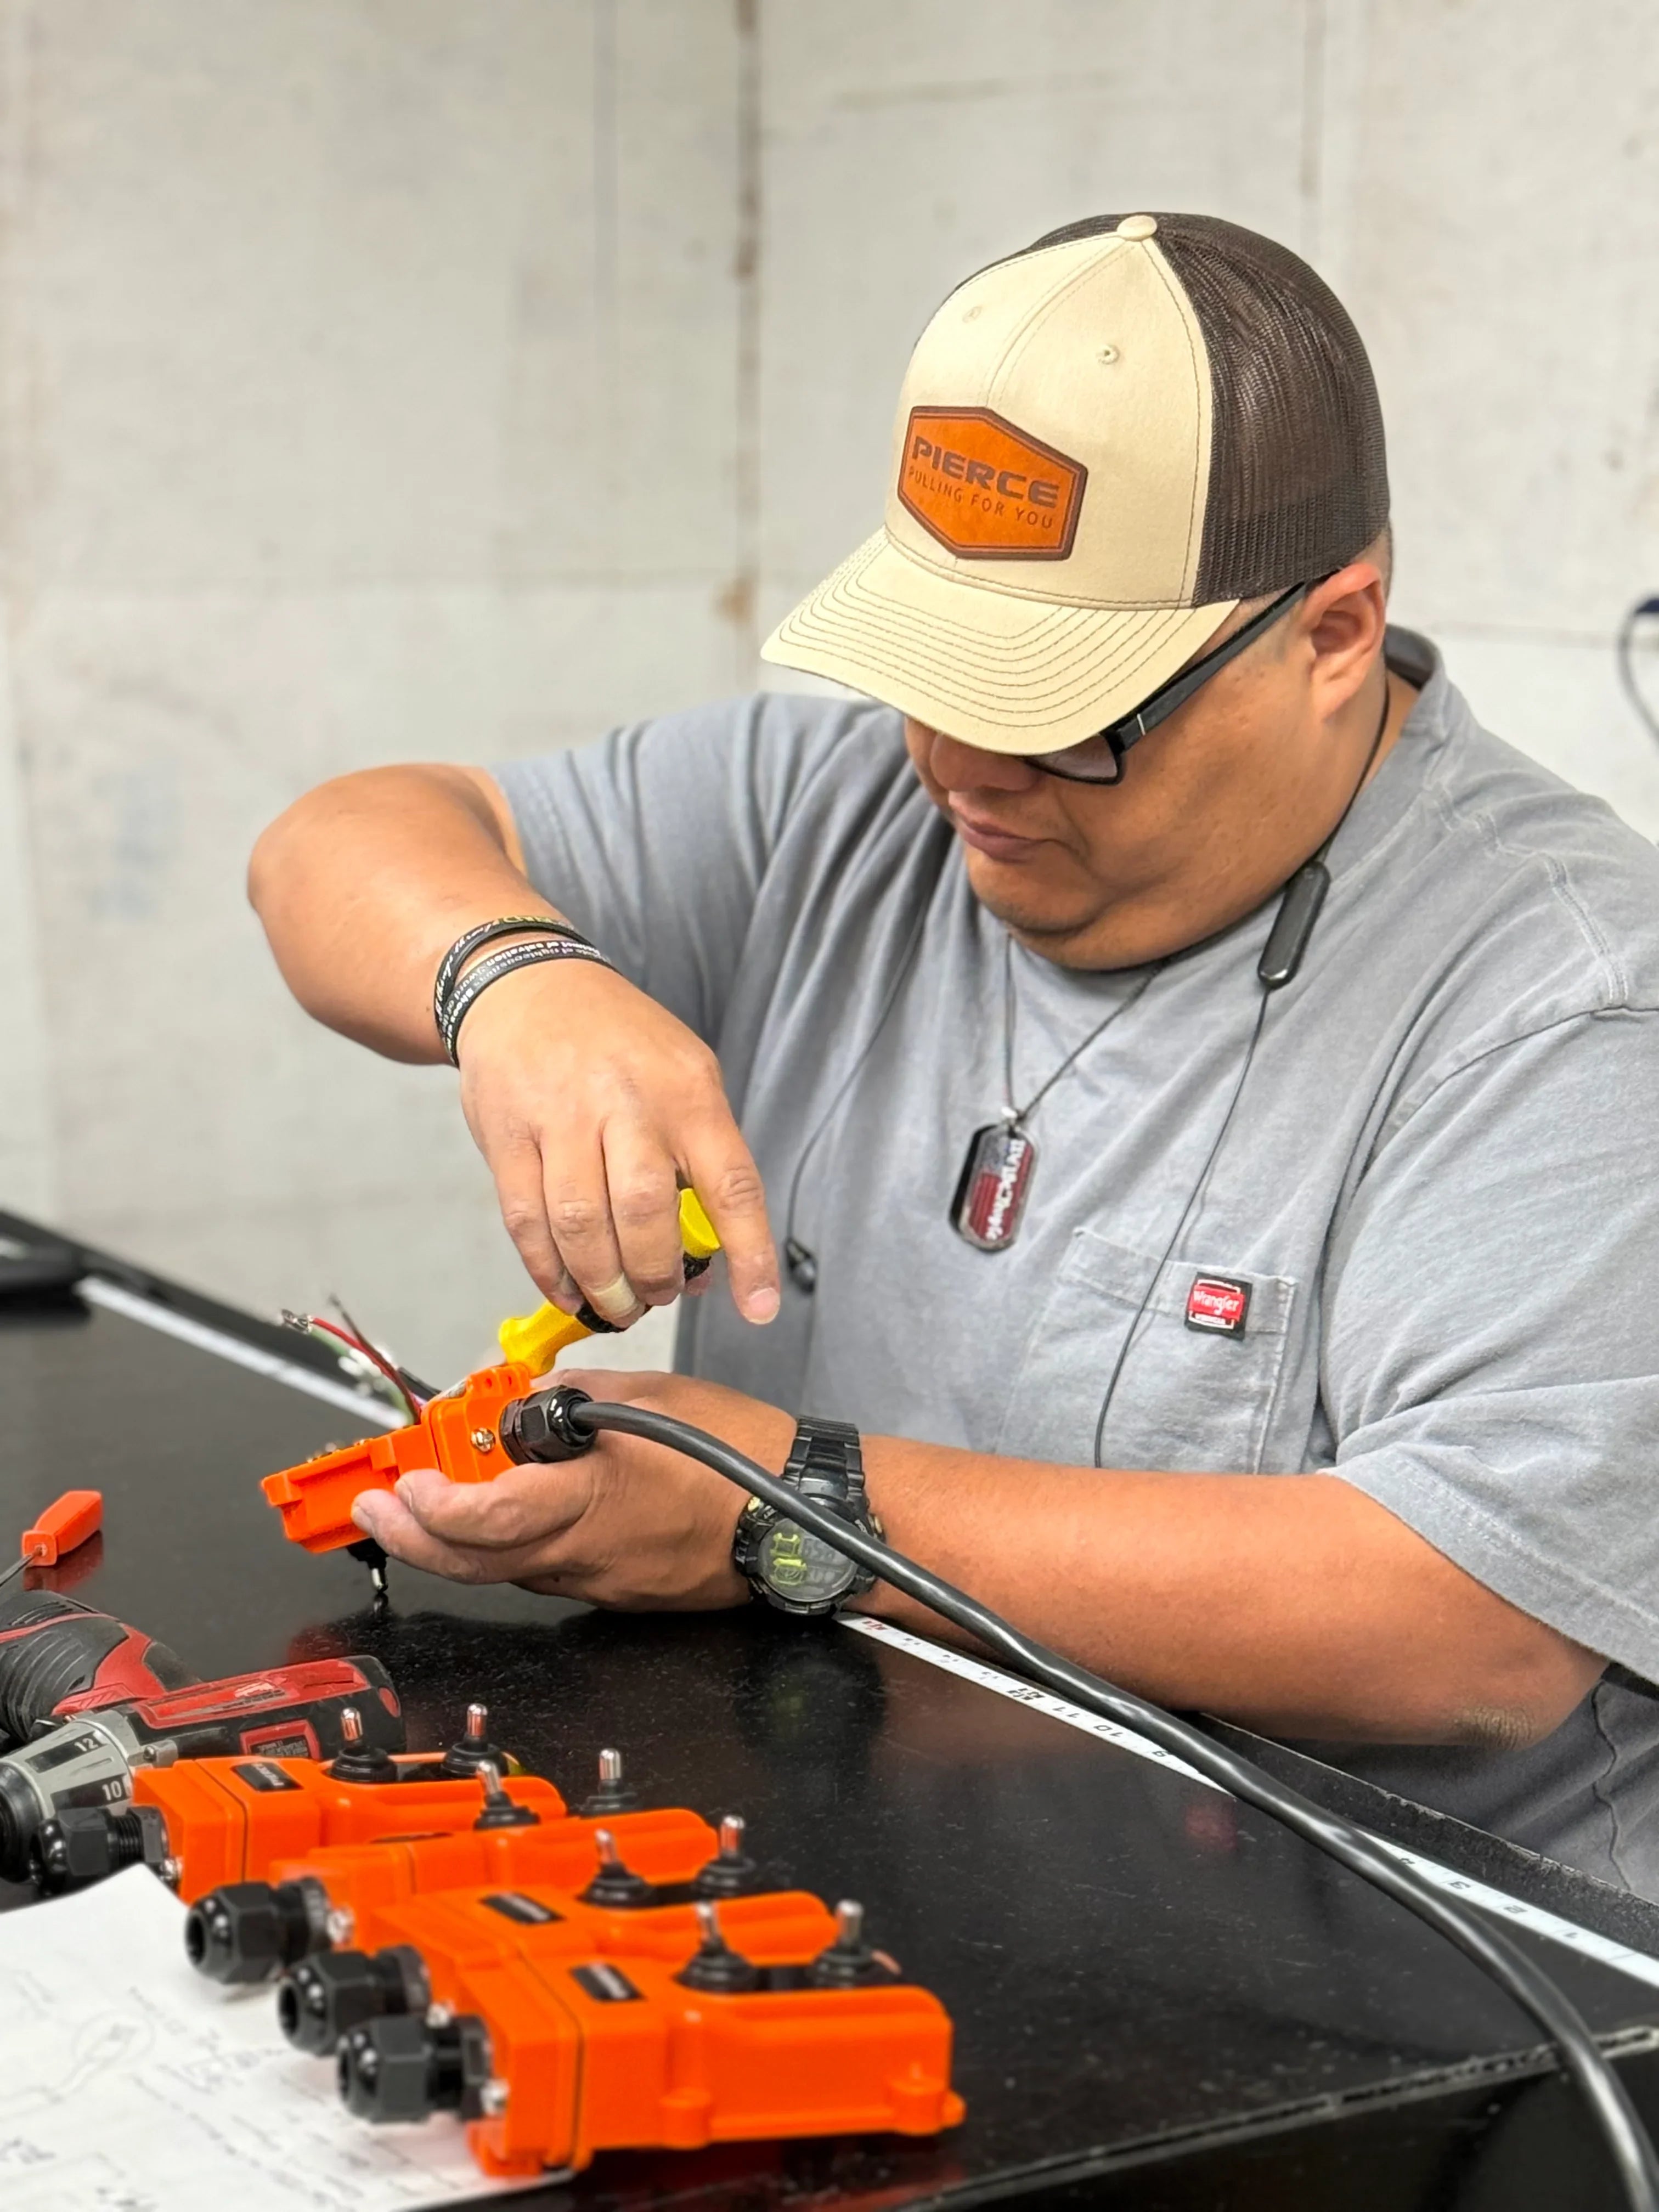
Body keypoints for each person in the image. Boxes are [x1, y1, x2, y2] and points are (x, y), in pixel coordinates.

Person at [249, 213, 1659, 1893]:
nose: (963, 771)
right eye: (935, 673)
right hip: (868, 1865)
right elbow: (330, 849)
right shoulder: (834, 809)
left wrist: (781, 1508)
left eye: (1069, 713)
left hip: (1391, 1975)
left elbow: (1474, 1627)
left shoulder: (1564, 996)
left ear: (1334, 634)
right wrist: (515, 980)